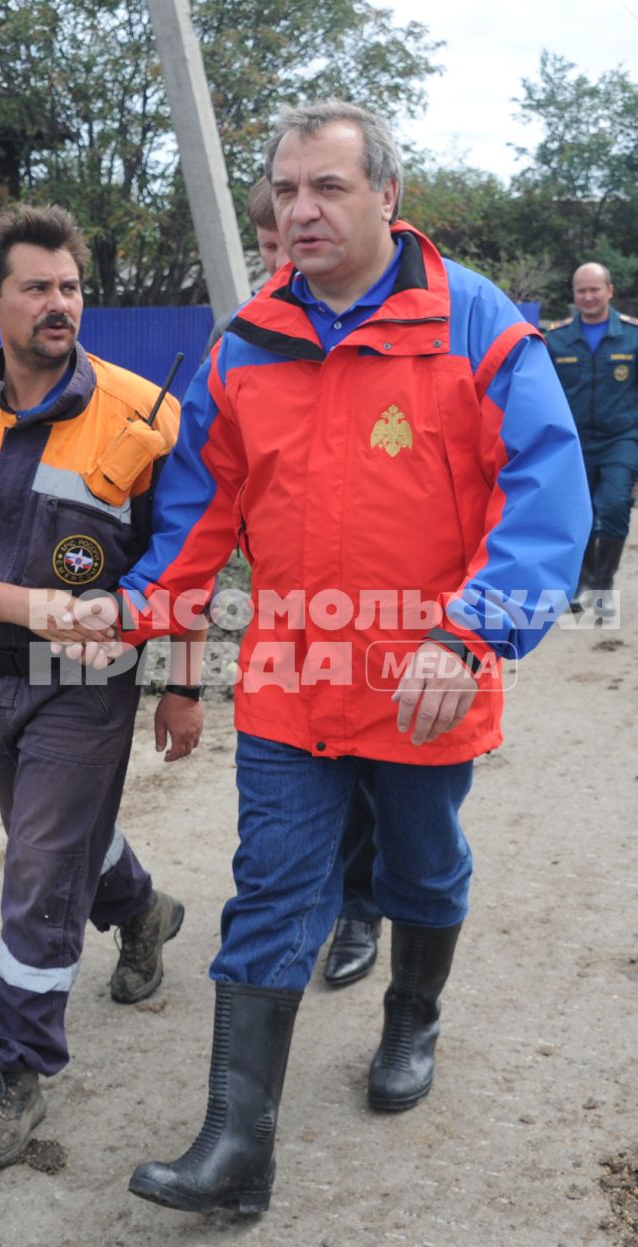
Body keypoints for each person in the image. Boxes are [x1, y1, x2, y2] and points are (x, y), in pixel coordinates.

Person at [62, 100, 590, 1215]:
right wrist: (140, 616)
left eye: (328, 188)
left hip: (425, 681)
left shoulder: (476, 328)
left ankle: (413, 1017)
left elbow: (547, 495)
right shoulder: (247, 343)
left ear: (388, 197)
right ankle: (234, 1149)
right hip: (292, 683)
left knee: (421, 868)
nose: (301, 211)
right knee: (271, 892)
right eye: (287, 191)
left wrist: (473, 631)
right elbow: (197, 515)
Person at [0, 204, 200, 1171]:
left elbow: (185, 566)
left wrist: (183, 687)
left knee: (36, 873)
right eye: (36, 288)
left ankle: (15, 1070)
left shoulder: (147, 414)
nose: (59, 305)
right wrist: (19, 606)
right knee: (51, 847)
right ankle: (140, 911)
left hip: (91, 683)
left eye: (69, 287)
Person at [245, 172, 382, 987]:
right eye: (265, 244)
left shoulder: (390, 316)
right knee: (301, 783)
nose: (279, 258)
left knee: (369, 781)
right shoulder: (257, 331)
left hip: (386, 609)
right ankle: (315, 907)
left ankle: (362, 908)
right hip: (292, 613)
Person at [544, 263, 638, 620]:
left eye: (595, 290)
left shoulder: (635, 336)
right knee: (578, 513)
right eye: (581, 291)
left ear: (610, 291)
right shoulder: (555, 339)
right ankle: (582, 581)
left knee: (615, 505)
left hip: (620, 438)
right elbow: (539, 391)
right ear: (573, 295)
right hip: (572, 443)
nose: (588, 297)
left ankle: (602, 583)